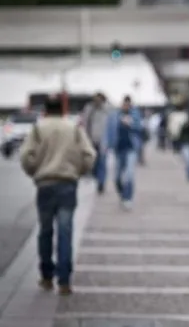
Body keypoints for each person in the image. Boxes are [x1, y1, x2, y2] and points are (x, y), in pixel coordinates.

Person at [20, 95, 96, 295]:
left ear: (45, 110)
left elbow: (26, 156)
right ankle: (64, 280)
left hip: (45, 184)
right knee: (65, 231)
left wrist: (34, 172)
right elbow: (89, 155)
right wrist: (78, 171)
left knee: (45, 231)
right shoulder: (73, 128)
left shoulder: (38, 128)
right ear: (63, 109)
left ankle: (46, 276)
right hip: (67, 184)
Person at [106, 95, 143, 210]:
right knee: (117, 177)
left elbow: (140, 128)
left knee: (129, 175)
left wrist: (130, 123)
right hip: (118, 149)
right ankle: (122, 194)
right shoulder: (115, 115)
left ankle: (128, 198)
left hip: (131, 148)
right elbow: (109, 130)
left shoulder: (135, 115)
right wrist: (107, 144)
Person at [81, 92, 111, 194]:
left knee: (102, 163)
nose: (97, 102)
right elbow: (85, 123)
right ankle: (95, 176)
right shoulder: (89, 108)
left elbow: (110, 125)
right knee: (93, 162)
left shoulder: (107, 110)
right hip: (91, 140)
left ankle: (101, 183)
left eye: (99, 100)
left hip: (103, 141)